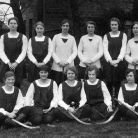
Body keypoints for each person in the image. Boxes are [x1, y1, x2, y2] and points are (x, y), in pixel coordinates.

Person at [0, 17, 28, 88]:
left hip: (18, 64)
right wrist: (8, 62)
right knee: (6, 84)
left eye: (14, 23)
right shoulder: (3, 37)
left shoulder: (23, 37)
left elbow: (24, 51)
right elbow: (1, 51)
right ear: (8, 24)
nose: (13, 25)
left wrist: (16, 63)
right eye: (11, 23)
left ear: (17, 25)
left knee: (17, 84)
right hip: (6, 63)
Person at [103, 17, 127, 98]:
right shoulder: (106, 36)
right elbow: (105, 49)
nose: (114, 26)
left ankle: (117, 100)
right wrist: (110, 61)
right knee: (109, 82)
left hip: (119, 62)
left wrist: (118, 60)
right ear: (110, 26)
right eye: (112, 25)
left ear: (118, 25)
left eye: (115, 25)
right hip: (109, 62)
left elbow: (123, 48)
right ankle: (109, 100)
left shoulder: (123, 35)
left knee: (117, 82)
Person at [50, 19, 77, 86]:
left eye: (67, 26)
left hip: (69, 66)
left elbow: (75, 51)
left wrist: (67, 62)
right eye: (64, 25)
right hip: (57, 66)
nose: (65, 27)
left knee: (68, 85)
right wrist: (58, 62)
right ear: (61, 27)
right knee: (57, 84)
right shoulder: (56, 37)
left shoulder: (72, 38)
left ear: (69, 27)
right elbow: (52, 51)